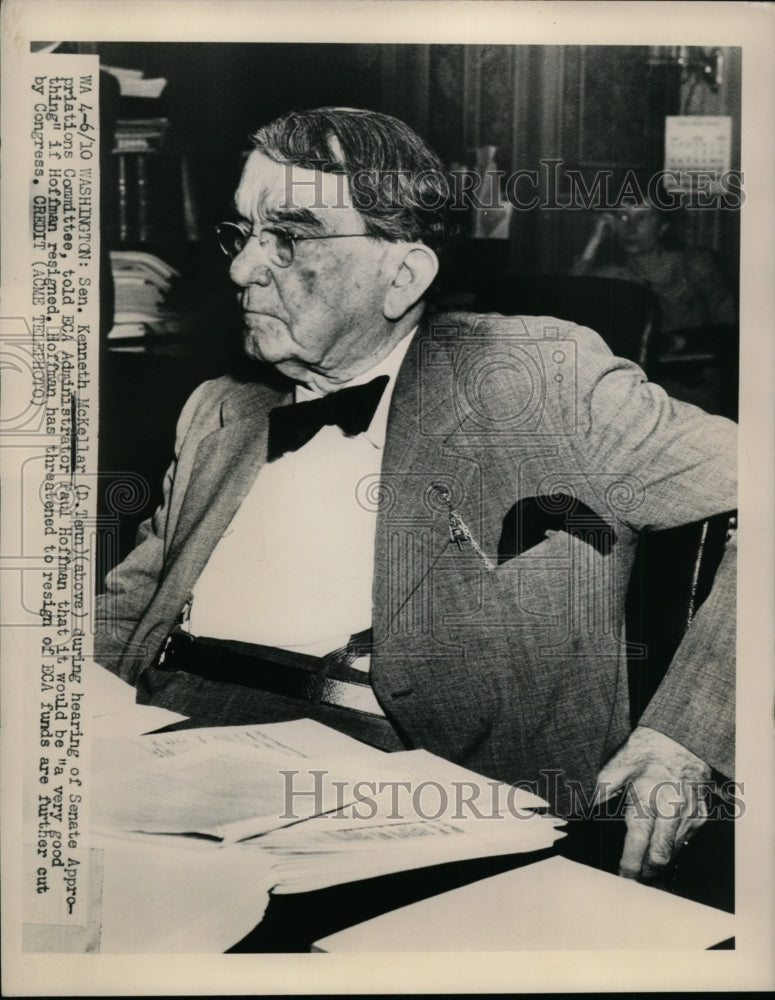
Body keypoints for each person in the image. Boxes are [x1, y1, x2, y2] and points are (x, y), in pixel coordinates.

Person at [95, 107, 736, 884]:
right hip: (157, 770)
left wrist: (684, 739)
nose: (240, 271)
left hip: (404, 803)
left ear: (402, 275)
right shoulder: (220, 409)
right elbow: (127, 612)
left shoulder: (543, 382)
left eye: (289, 237)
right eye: (242, 234)